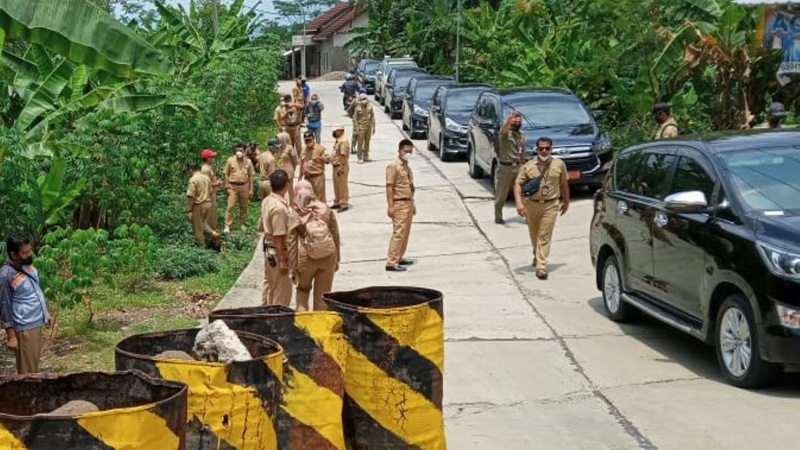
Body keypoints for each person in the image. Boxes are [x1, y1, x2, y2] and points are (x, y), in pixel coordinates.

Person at [513, 137, 570, 280]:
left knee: (544, 235)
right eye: (541, 148)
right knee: (534, 234)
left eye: (547, 148)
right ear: (537, 149)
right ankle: (536, 255)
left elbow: (564, 184)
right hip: (532, 204)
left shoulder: (559, 164)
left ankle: (541, 266)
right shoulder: (529, 166)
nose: (544, 151)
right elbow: (518, 184)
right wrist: (519, 203)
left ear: (551, 149)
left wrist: (566, 201)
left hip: (551, 204)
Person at [1, 233, 53, 374]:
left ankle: (32, 393)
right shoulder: (6, 275)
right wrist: (11, 337)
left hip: (36, 323)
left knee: (33, 366)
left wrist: (45, 313)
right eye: (24, 252)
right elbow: (4, 306)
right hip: (25, 329)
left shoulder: (26, 264)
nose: (29, 254)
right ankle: (27, 395)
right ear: (13, 254)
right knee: (28, 372)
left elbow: (35, 289)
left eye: (29, 250)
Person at [287, 181, 341, 311]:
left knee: (302, 290)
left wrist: (293, 269)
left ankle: (303, 325)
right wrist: (337, 258)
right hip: (328, 255)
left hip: (306, 257)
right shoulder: (325, 209)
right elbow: (335, 235)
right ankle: (319, 327)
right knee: (322, 296)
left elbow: (291, 243)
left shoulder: (295, 214)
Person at [261, 170, 293, 306]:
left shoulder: (267, 200)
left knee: (270, 288)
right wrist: (282, 261)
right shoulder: (279, 208)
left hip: (269, 250)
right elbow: (279, 236)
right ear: (287, 185)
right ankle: (278, 320)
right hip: (277, 252)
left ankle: (266, 315)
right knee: (282, 293)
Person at [385, 140, 416, 272]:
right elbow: (389, 187)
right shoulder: (393, 166)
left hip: (408, 202)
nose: (408, 153)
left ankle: (399, 257)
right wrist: (390, 206)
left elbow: (409, 186)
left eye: (410, 151)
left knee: (405, 232)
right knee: (398, 233)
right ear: (399, 151)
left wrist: (413, 203)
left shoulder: (406, 166)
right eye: (406, 151)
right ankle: (391, 262)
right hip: (399, 203)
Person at [494, 111, 527, 224]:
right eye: (515, 123)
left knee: (522, 191)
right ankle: (498, 216)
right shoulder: (505, 134)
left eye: (519, 122)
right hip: (505, 167)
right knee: (502, 194)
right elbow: (503, 130)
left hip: (518, 166)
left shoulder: (521, 135)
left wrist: (524, 164)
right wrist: (509, 120)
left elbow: (522, 150)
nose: (517, 124)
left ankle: (527, 215)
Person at [186, 162, 222, 247]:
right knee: (203, 223)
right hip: (208, 203)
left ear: (191, 170)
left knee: (198, 228)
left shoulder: (193, 180)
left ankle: (201, 247)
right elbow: (210, 191)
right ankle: (214, 233)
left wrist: (189, 210)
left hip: (199, 205)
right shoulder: (206, 178)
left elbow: (191, 197)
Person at [223, 143, 255, 233]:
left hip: (244, 186)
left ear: (244, 151)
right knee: (230, 206)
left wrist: (251, 189)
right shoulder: (230, 160)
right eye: (237, 150)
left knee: (244, 206)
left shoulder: (248, 161)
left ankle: (242, 223)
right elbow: (226, 174)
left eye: (240, 150)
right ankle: (227, 225)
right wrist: (226, 187)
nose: (238, 152)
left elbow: (251, 176)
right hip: (232, 186)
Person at [302, 130, 328, 202]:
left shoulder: (320, 149)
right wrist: (300, 177)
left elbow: (327, 159)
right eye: (306, 140)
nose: (308, 142)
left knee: (319, 198)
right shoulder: (303, 149)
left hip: (317, 177)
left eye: (309, 140)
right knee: (308, 197)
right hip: (307, 177)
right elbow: (302, 163)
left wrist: (324, 159)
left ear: (313, 139)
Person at [330, 125, 351, 211]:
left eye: (336, 131)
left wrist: (341, 167)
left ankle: (343, 203)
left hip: (341, 166)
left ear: (341, 130)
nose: (334, 133)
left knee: (342, 185)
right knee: (337, 185)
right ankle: (337, 201)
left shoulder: (343, 141)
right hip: (336, 165)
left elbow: (343, 155)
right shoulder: (338, 141)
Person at [201, 149, 221, 232]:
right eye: (211, 157)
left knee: (213, 214)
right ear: (207, 158)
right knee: (210, 215)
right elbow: (206, 184)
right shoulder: (205, 169)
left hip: (212, 194)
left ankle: (212, 231)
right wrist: (217, 183)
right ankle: (210, 233)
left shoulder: (209, 167)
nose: (213, 158)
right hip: (209, 195)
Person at [276, 131, 299, 205]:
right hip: (280, 170)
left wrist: (293, 167)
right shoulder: (279, 148)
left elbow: (295, 159)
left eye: (279, 139)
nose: (278, 141)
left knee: (289, 189)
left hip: (288, 170)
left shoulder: (290, 148)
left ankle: (292, 203)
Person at [353, 93, 376, 163]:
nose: (364, 101)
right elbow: (355, 119)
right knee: (360, 143)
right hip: (361, 127)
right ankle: (359, 157)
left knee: (367, 142)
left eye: (365, 99)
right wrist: (356, 128)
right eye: (363, 99)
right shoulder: (357, 108)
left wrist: (374, 127)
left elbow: (372, 117)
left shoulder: (370, 107)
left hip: (368, 127)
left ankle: (366, 156)